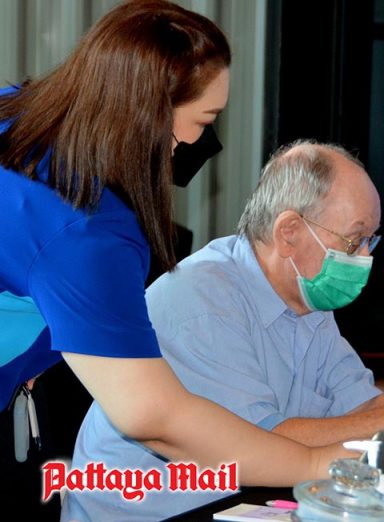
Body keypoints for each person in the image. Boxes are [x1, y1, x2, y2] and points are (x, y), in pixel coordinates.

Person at [63, 140, 384, 520]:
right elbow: (268, 443)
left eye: (371, 241)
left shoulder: (305, 296)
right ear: (289, 232)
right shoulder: (201, 299)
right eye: (354, 240)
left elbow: (363, 410)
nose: (365, 258)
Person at [0, 0, 354, 514]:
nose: (201, 141)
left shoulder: (22, 113)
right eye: (204, 119)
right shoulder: (86, 233)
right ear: (148, 116)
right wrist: (315, 463)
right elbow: (154, 417)